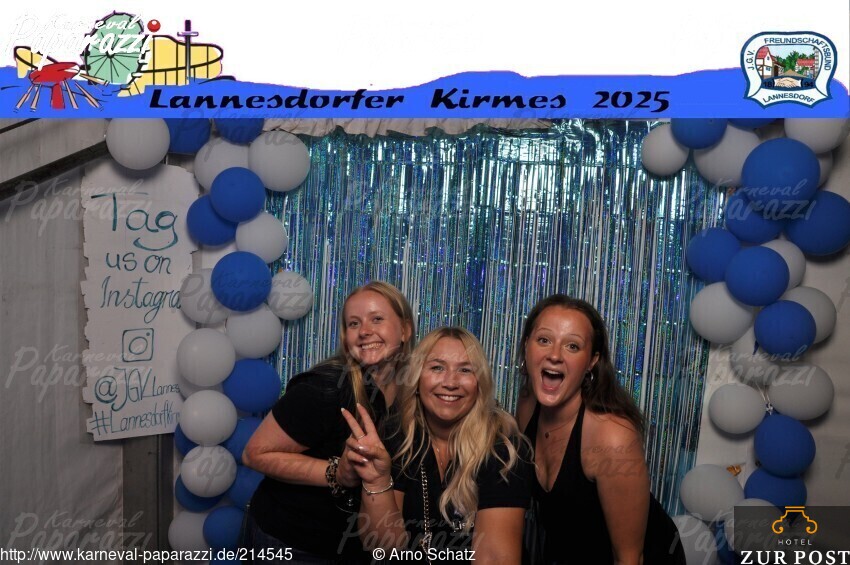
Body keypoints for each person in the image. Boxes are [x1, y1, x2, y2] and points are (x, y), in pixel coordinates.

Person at [242, 281, 416, 564]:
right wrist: (336, 472)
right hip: (292, 543)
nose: (365, 331)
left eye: (377, 319)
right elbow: (254, 454)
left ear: (405, 330)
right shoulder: (324, 388)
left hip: (351, 546)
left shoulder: (410, 393)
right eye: (354, 323)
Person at [340, 327, 533, 564]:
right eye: (437, 368)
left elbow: (494, 558)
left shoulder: (504, 449)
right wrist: (377, 482)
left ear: (479, 383)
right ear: (417, 378)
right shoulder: (395, 435)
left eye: (465, 370)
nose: (450, 382)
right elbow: (385, 548)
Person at [516, 295, 685, 565]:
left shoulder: (612, 437)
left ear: (592, 361)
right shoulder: (528, 403)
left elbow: (629, 559)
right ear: (527, 346)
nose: (555, 355)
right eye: (544, 340)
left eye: (572, 346)